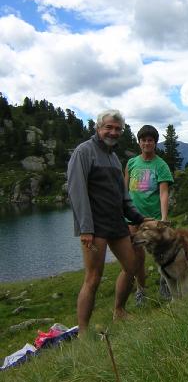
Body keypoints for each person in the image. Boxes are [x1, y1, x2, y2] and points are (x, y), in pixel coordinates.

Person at [67, 109, 146, 333]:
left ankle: (119, 311)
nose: (113, 132)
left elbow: (123, 197)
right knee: (93, 278)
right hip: (94, 226)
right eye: (108, 127)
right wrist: (85, 228)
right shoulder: (84, 152)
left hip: (116, 223)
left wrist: (139, 218)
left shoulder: (113, 158)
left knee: (132, 266)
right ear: (98, 128)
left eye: (118, 129)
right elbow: (77, 192)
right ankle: (83, 331)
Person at [125, 125, 174, 305]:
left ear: (155, 143)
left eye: (150, 140)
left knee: (162, 252)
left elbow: (163, 193)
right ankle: (141, 290)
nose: (147, 143)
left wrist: (163, 218)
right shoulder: (131, 163)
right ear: (139, 142)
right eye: (143, 140)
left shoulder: (160, 165)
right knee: (136, 256)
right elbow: (124, 191)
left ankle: (165, 282)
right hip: (131, 217)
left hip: (151, 218)